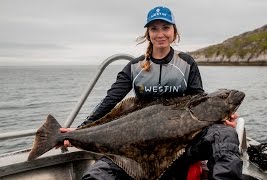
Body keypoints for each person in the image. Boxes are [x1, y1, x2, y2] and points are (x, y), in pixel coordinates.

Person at [60, 6, 243, 180]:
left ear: (174, 31)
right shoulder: (134, 68)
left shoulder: (186, 63)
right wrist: (82, 129)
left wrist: (221, 118)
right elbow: (110, 100)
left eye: (165, 27)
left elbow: (199, 100)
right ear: (148, 33)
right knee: (97, 175)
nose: (160, 34)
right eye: (154, 29)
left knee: (225, 135)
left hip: (183, 143)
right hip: (136, 145)